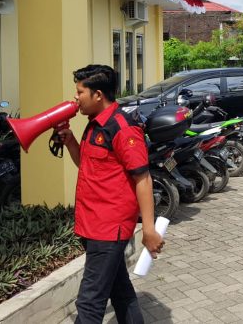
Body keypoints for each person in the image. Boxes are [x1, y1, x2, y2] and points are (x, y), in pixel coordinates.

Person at [57, 64, 164, 323]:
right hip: (92, 223)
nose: (75, 98)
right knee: (121, 292)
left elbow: (143, 178)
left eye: (80, 92)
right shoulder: (94, 125)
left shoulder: (122, 128)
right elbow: (88, 166)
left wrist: (148, 229)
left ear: (98, 95)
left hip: (109, 227)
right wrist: (70, 141)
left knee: (90, 302)